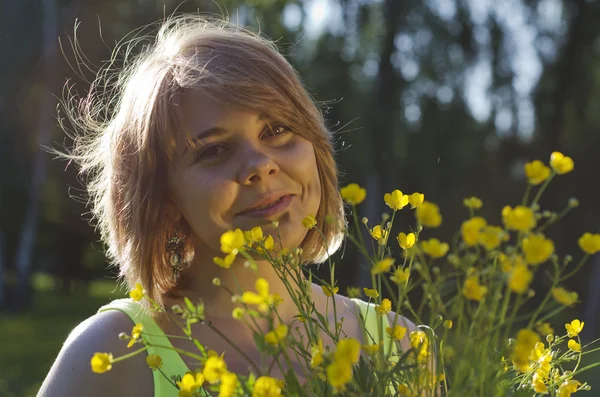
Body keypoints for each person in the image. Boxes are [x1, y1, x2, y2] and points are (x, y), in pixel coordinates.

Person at [37, 15, 415, 397]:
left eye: (276, 130)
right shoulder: (109, 356)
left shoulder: (402, 346)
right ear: (163, 198)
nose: (260, 165)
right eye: (214, 150)